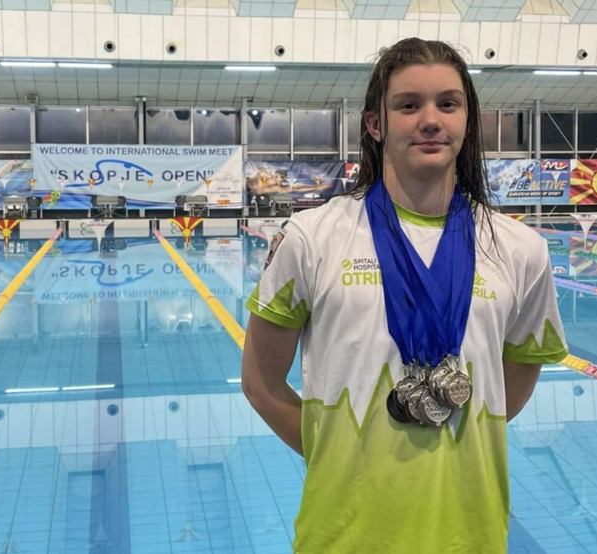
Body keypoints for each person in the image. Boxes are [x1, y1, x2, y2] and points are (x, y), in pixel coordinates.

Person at [242, 37, 569, 554]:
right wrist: (337, 454)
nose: (431, 120)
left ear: (467, 121)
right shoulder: (311, 238)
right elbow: (260, 384)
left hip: (471, 537)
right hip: (342, 538)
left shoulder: (521, 249)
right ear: (376, 124)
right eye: (409, 105)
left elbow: (516, 380)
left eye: (448, 104)